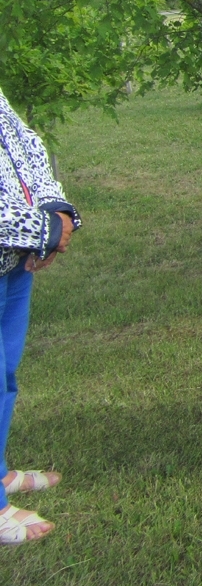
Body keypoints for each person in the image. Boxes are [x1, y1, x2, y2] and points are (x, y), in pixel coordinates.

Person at [0, 89, 80, 545]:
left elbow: (25, 144)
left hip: (11, 264)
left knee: (4, 377)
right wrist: (41, 230)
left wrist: (54, 210)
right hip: (16, 243)